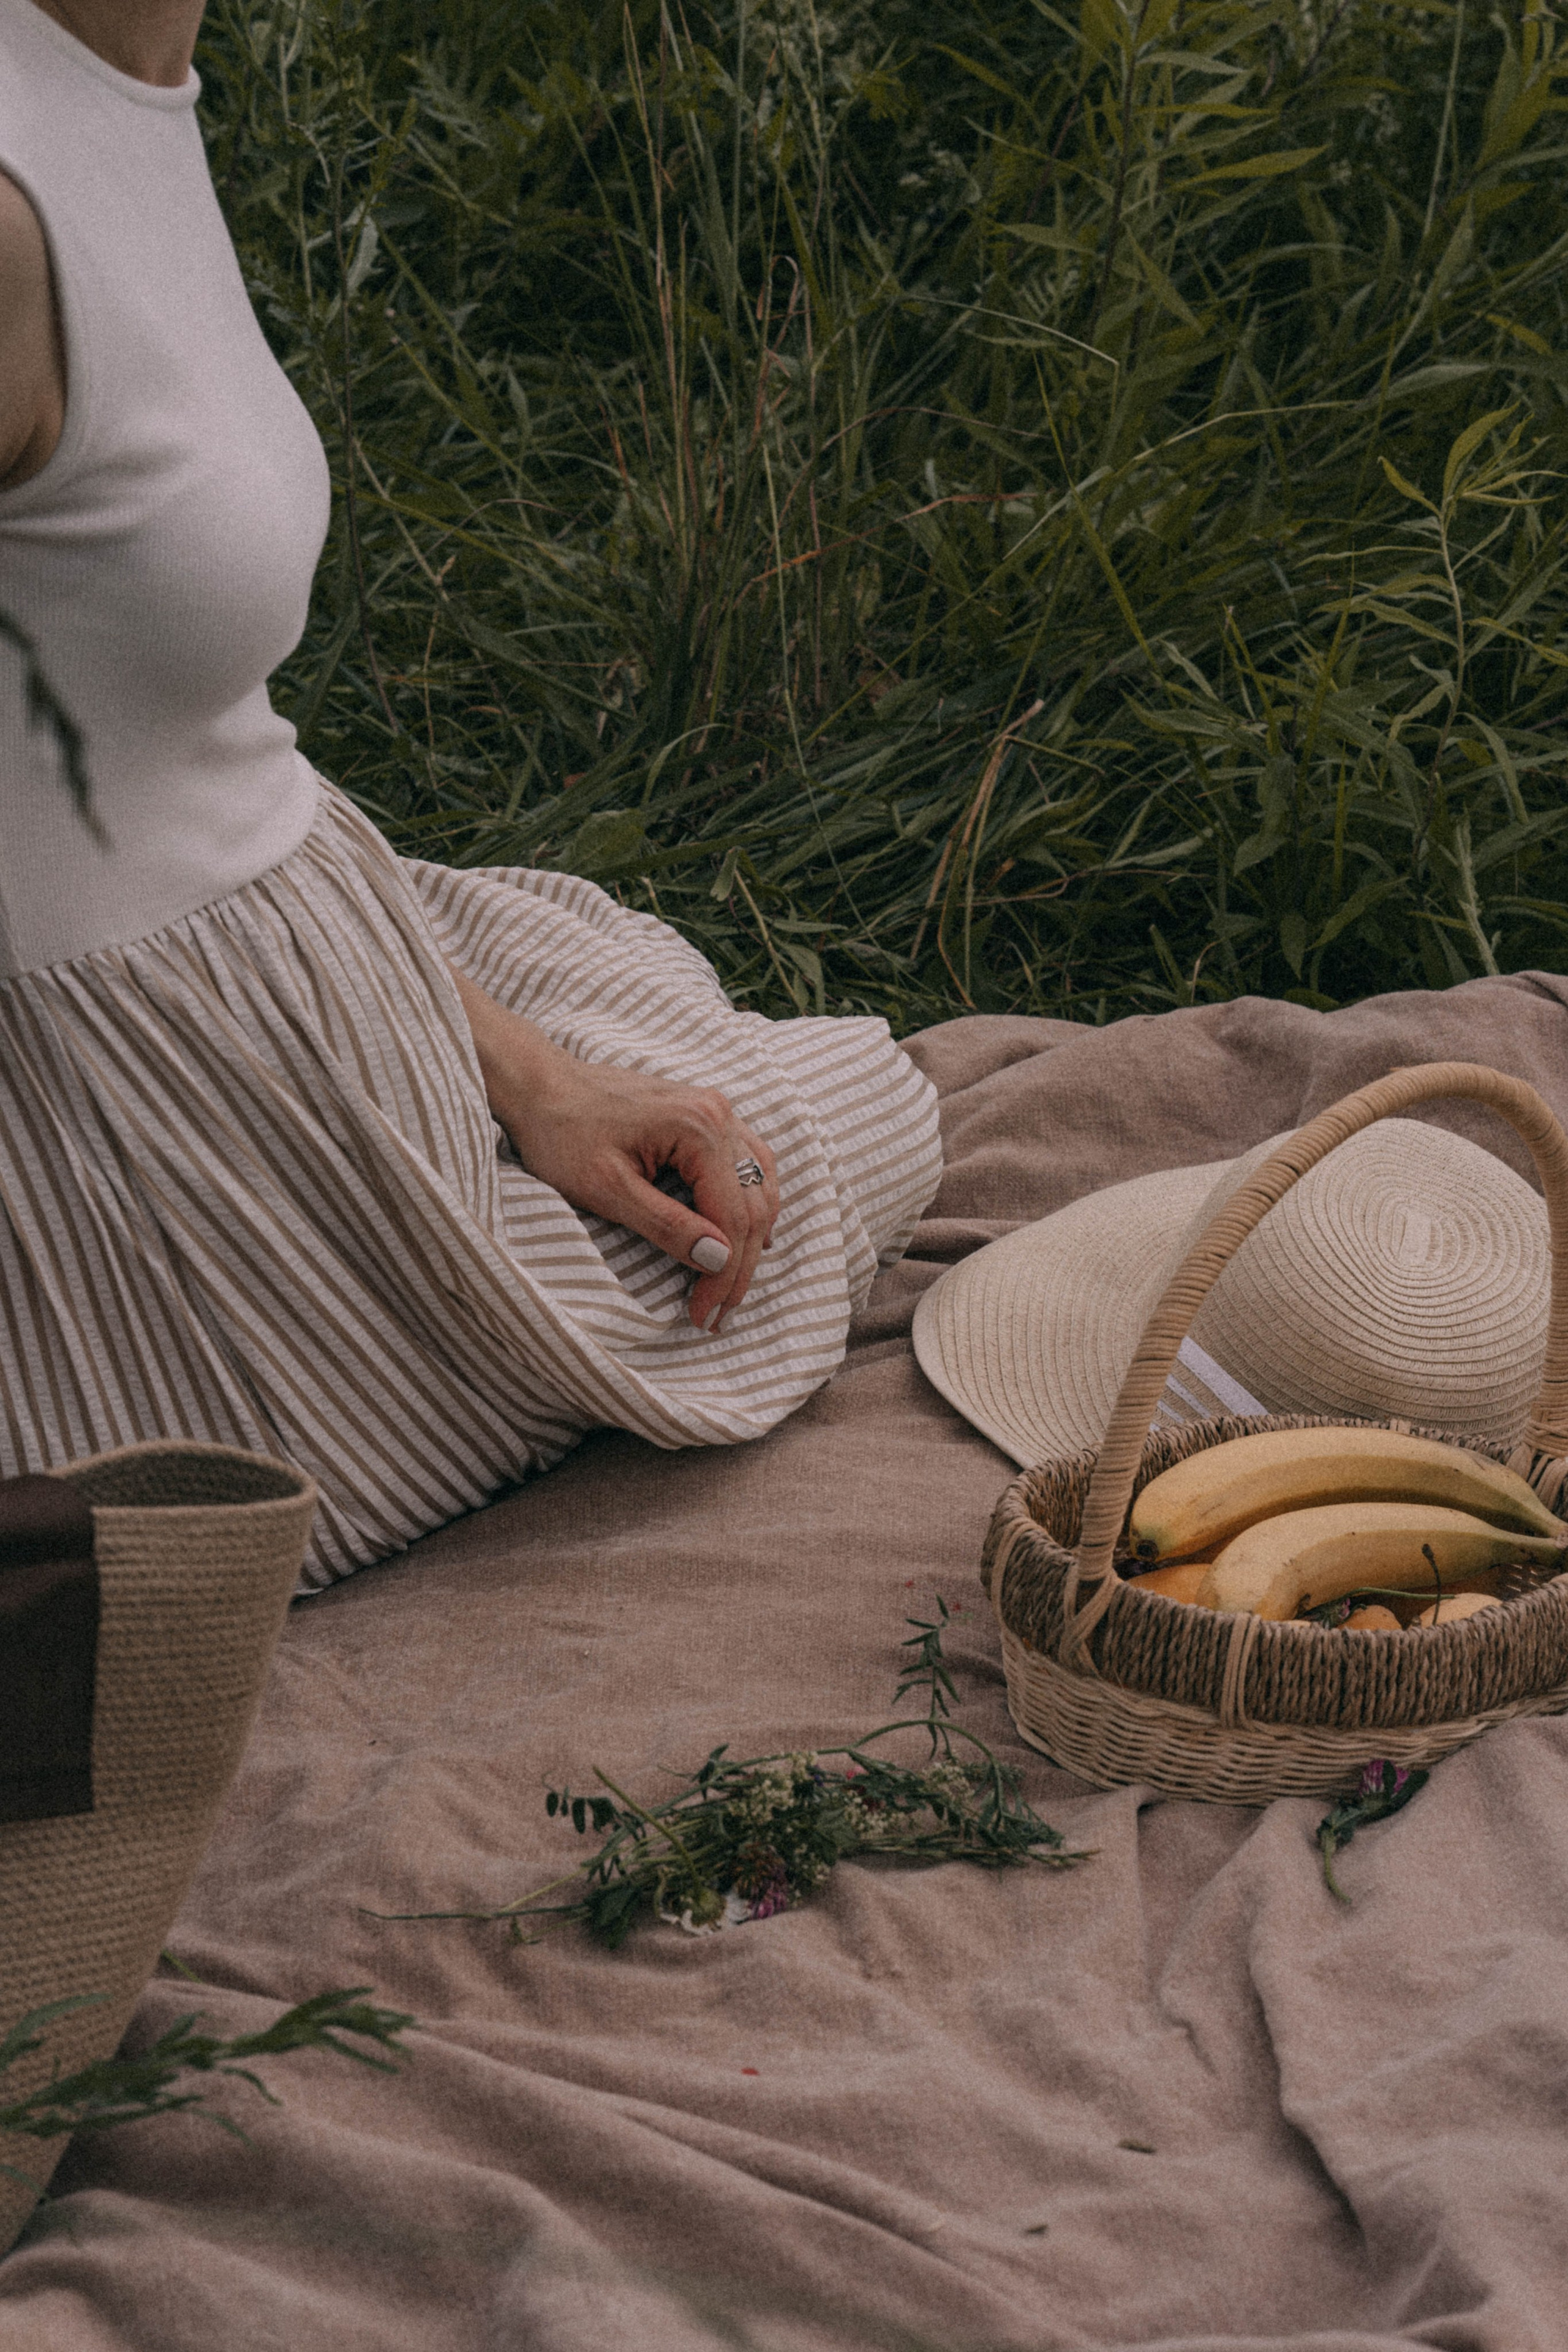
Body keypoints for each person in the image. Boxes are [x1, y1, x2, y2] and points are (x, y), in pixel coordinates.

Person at [0, 0, 941, 1585]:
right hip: (121, 1104)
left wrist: (518, 1072)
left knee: (757, 1115)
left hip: (313, 931)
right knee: (804, 1174)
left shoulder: (128, 76)